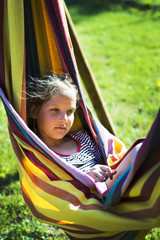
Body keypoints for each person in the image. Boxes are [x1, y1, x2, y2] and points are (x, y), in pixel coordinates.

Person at [26, 74, 117, 183]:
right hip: (91, 197)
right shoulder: (39, 156)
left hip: (112, 185)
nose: (64, 119)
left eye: (70, 111)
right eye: (55, 109)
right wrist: (88, 177)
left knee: (138, 149)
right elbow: (62, 190)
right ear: (33, 111)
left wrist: (100, 169)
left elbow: (107, 164)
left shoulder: (84, 138)